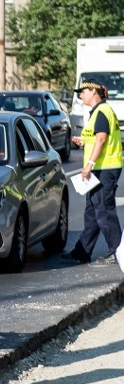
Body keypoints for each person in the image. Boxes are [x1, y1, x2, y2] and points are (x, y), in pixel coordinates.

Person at [63, 80, 122, 266]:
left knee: (104, 210)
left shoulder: (102, 111)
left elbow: (102, 140)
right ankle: (82, 252)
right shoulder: (99, 111)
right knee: (92, 211)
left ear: (93, 92)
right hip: (101, 167)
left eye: (83, 92)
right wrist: (83, 139)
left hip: (105, 168)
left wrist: (88, 165)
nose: (80, 95)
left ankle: (117, 252)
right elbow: (96, 137)